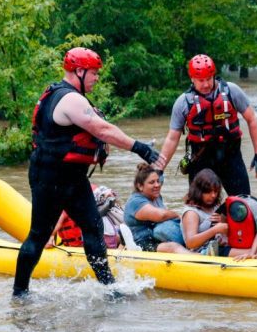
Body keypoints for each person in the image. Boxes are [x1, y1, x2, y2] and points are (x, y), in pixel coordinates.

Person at [13, 47, 163, 297]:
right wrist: (139, 147)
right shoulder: (69, 98)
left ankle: (109, 287)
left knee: (93, 228)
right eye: (94, 73)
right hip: (49, 177)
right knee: (38, 235)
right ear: (79, 71)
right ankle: (19, 292)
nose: (96, 78)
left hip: (72, 178)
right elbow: (101, 129)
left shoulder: (72, 96)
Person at [155, 54, 257, 196]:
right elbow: (172, 138)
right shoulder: (183, 103)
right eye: (201, 80)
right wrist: (159, 169)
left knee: (242, 204)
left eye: (208, 78)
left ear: (214, 75)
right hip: (200, 160)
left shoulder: (232, 91)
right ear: (192, 79)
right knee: (198, 208)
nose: (206, 84)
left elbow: (252, 120)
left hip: (231, 158)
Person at [181, 168, 257, 259]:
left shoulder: (215, 207)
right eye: (208, 192)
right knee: (254, 254)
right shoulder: (191, 212)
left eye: (216, 192)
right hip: (205, 251)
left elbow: (227, 230)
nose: (213, 195)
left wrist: (224, 222)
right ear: (198, 191)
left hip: (224, 245)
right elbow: (190, 243)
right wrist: (215, 230)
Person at [124, 163, 192, 253]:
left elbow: (161, 175)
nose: (157, 185)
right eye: (152, 182)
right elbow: (161, 215)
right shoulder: (136, 202)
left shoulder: (155, 195)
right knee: (173, 247)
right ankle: (199, 258)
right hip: (141, 244)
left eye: (157, 181)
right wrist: (178, 215)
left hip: (156, 239)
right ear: (140, 186)